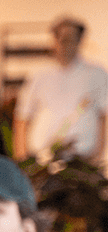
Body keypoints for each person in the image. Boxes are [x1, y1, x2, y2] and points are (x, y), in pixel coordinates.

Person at [14, 15, 107, 164]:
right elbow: (22, 117)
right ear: (55, 41)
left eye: (72, 39)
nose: (67, 45)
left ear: (80, 41)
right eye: (63, 39)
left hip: (83, 162)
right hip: (42, 162)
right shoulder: (38, 75)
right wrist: (22, 158)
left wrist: (98, 156)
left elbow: (103, 116)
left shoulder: (97, 74)